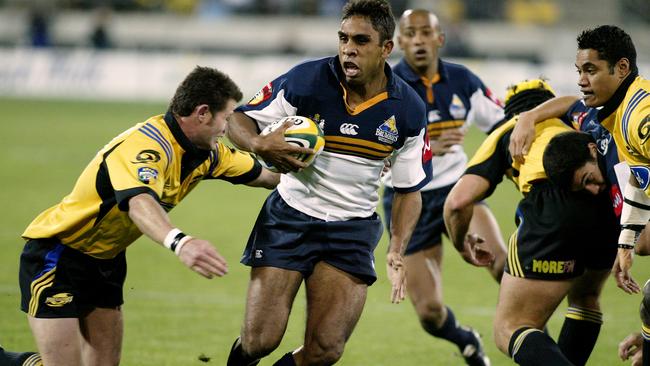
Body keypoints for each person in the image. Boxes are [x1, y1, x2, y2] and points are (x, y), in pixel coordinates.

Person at [18, 66, 279, 366]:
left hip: (107, 262)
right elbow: (139, 202)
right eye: (227, 118)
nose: (229, 128)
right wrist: (181, 242)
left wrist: (314, 164)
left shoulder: (208, 154)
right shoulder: (146, 146)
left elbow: (268, 177)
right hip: (59, 255)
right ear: (203, 113)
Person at [225, 1, 432, 365]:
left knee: (324, 350)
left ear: (386, 48)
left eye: (361, 40)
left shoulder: (408, 110)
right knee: (259, 341)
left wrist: (397, 248)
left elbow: (409, 190)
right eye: (343, 38)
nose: (348, 48)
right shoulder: (307, 81)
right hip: (290, 218)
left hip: (351, 230)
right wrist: (258, 143)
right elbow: (239, 120)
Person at [443, 79, 619, 366]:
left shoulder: (506, 130)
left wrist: (461, 241)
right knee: (586, 297)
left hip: (552, 206)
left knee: (509, 328)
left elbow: (458, 201)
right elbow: (571, 100)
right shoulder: (570, 119)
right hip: (604, 198)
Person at [509, 25, 650, 364]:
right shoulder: (605, 115)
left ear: (621, 68)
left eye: (591, 70)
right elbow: (571, 103)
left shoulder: (639, 118)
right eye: (579, 71)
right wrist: (530, 116)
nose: (582, 80)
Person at [381, 8, 505, 365]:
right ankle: (465, 338)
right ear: (398, 42)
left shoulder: (463, 81)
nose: (418, 40)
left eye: (425, 32)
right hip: (407, 198)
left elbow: (502, 125)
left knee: (501, 264)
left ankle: (525, 331)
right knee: (430, 313)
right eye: (410, 33)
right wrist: (426, 147)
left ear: (440, 39)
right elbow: (370, 151)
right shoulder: (386, 86)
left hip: (458, 191)